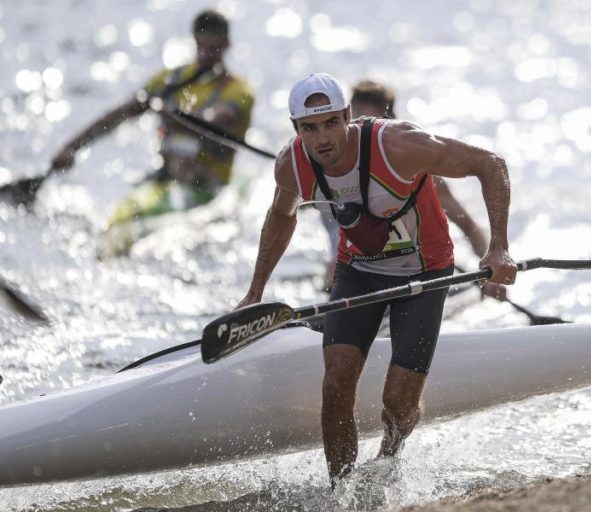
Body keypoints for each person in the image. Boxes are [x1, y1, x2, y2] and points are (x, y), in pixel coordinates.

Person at [237, 73, 517, 485]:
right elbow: (282, 214)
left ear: (347, 117)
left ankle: (388, 459)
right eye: (309, 128)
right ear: (297, 130)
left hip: (425, 275)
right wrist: (255, 291)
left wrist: (498, 247)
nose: (323, 138)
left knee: (399, 403)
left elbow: (489, 165)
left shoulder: (400, 145)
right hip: (359, 273)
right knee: (335, 384)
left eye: (332, 122)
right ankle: (342, 492)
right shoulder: (291, 165)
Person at [50, 10, 255, 256]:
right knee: (126, 214)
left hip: (207, 186)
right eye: (202, 48)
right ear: (194, 41)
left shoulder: (239, 91)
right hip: (165, 180)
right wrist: (71, 148)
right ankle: (111, 246)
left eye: (214, 49)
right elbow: (117, 116)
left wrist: (172, 112)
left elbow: (214, 120)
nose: (207, 56)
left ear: (226, 45)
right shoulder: (169, 80)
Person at [318, 79, 506, 299]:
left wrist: (489, 267)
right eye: (354, 125)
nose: (359, 134)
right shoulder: (325, 162)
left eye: (368, 124)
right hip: (346, 272)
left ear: (387, 124)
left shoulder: (417, 173)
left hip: (404, 273)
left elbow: (469, 226)